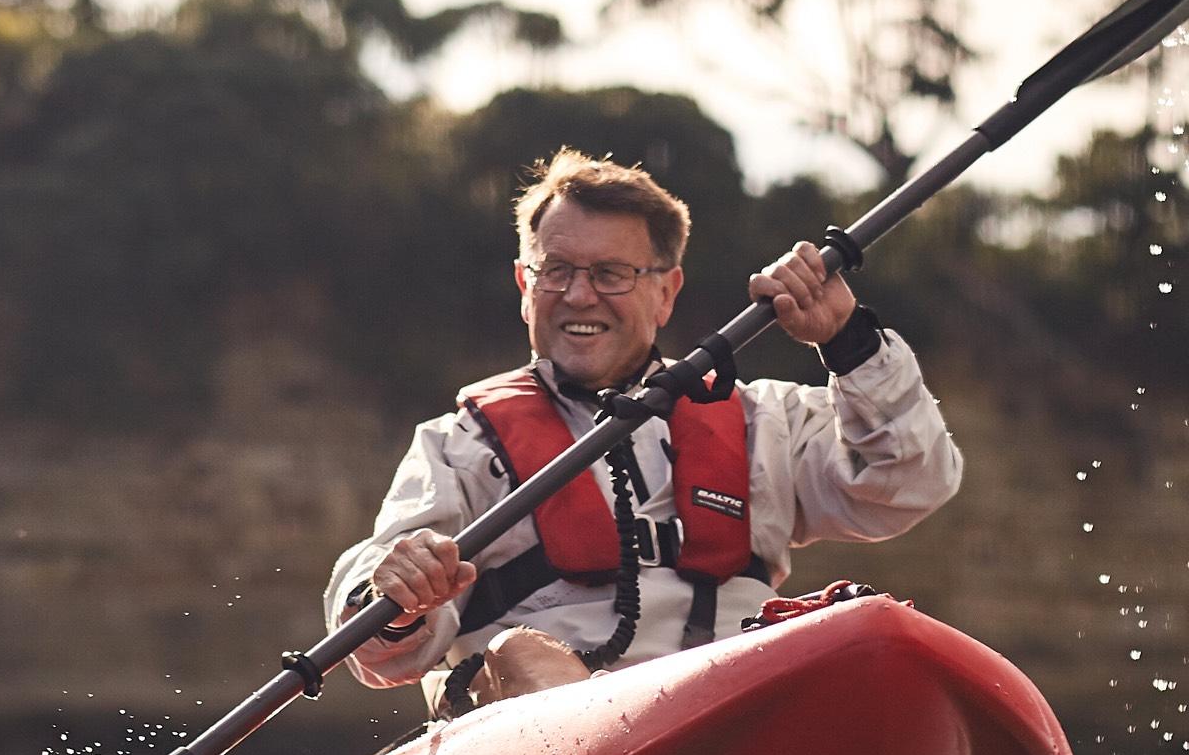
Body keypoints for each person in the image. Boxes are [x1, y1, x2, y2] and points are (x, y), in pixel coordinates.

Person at [324, 149, 962, 715]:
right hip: (536, 718)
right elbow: (385, 648)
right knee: (519, 652)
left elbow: (909, 484)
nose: (579, 296)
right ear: (525, 285)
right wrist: (397, 590)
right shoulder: (459, 445)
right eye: (556, 271)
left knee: (863, 621)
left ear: (665, 292)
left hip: (736, 697)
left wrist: (848, 341)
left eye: (610, 274)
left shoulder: (762, 419)